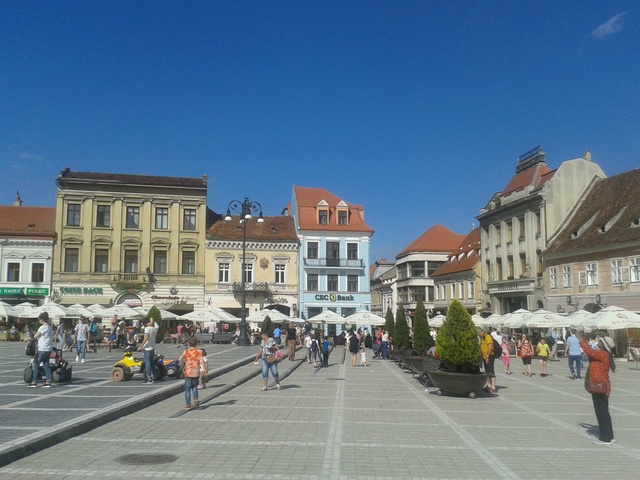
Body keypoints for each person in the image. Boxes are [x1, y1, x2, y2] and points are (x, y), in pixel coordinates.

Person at [577, 332, 616, 445]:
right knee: (603, 412)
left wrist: (581, 340)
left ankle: (606, 438)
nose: (597, 341)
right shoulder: (602, 354)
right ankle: (609, 435)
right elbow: (591, 353)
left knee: (601, 412)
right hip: (599, 385)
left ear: (603, 345)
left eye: (600, 341)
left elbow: (589, 351)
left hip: (600, 386)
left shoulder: (603, 354)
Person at [27, 312, 53, 388]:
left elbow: (36, 336)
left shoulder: (42, 327)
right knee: (46, 365)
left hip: (42, 349)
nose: (38, 321)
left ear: (42, 319)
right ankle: (48, 381)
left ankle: (34, 382)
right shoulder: (50, 327)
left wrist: (30, 339)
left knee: (35, 364)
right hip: (48, 349)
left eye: (39, 320)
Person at [179, 337, 204, 410]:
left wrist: (183, 365)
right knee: (194, 386)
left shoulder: (186, 351)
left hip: (188, 371)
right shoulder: (199, 352)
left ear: (189, 343)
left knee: (187, 389)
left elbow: (180, 359)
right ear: (196, 343)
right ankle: (196, 399)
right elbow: (202, 361)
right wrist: (202, 370)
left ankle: (188, 404)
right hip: (196, 371)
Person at [137, 317, 159, 384]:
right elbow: (157, 326)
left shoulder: (147, 329)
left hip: (147, 348)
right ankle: (155, 376)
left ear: (145, 324)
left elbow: (146, 338)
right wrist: (153, 320)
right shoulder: (154, 328)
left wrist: (141, 346)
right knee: (152, 363)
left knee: (148, 364)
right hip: (152, 348)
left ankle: (149, 378)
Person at [480, 328, 497, 393]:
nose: (478, 335)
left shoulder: (488, 337)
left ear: (482, 332)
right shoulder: (483, 337)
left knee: (491, 370)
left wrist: (487, 356)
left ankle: (493, 386)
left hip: (489, 356)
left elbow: (490, 347)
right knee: (487, 371)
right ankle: (489, 385)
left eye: (479, 333)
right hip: (485, 356)